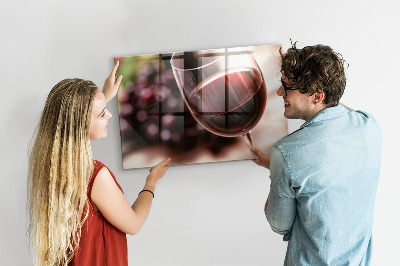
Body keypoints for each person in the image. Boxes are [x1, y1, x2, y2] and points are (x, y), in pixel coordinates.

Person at [27, 62, 171, 266]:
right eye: (102, 113)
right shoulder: (95, 176)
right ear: (81, 124)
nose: (110, 115)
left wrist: (104, 96)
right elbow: (134, 224)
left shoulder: (50, 165)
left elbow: (76, 117)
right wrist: (151, 181)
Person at [251, 43, 382, 265]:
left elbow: (279, 224)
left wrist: (277, 167)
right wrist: (298, 73)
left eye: (287, 87)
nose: (279, 92)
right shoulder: (369, 125)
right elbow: (335, 107)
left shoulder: (286, 154)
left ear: (317, 96)